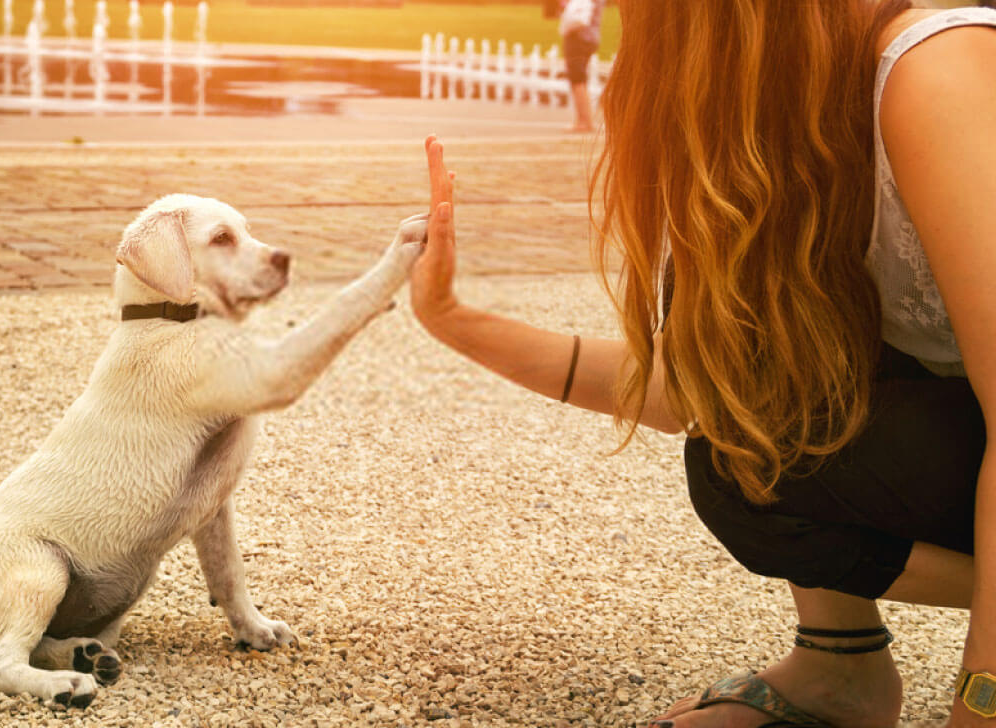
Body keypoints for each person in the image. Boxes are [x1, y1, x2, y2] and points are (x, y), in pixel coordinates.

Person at [410, 0, 996, 724]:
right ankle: (838, 672)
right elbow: (690, 398)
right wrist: (453, 319)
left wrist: (982, 702)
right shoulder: (776, 134)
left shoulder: (932, 68)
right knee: (741, 463)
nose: (631, 50)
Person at [558, 0, 605, 133]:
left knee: (577, 79)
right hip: (591, 38)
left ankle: (585, 121)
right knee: (580, 79)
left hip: (579, 37)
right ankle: (583, 120)